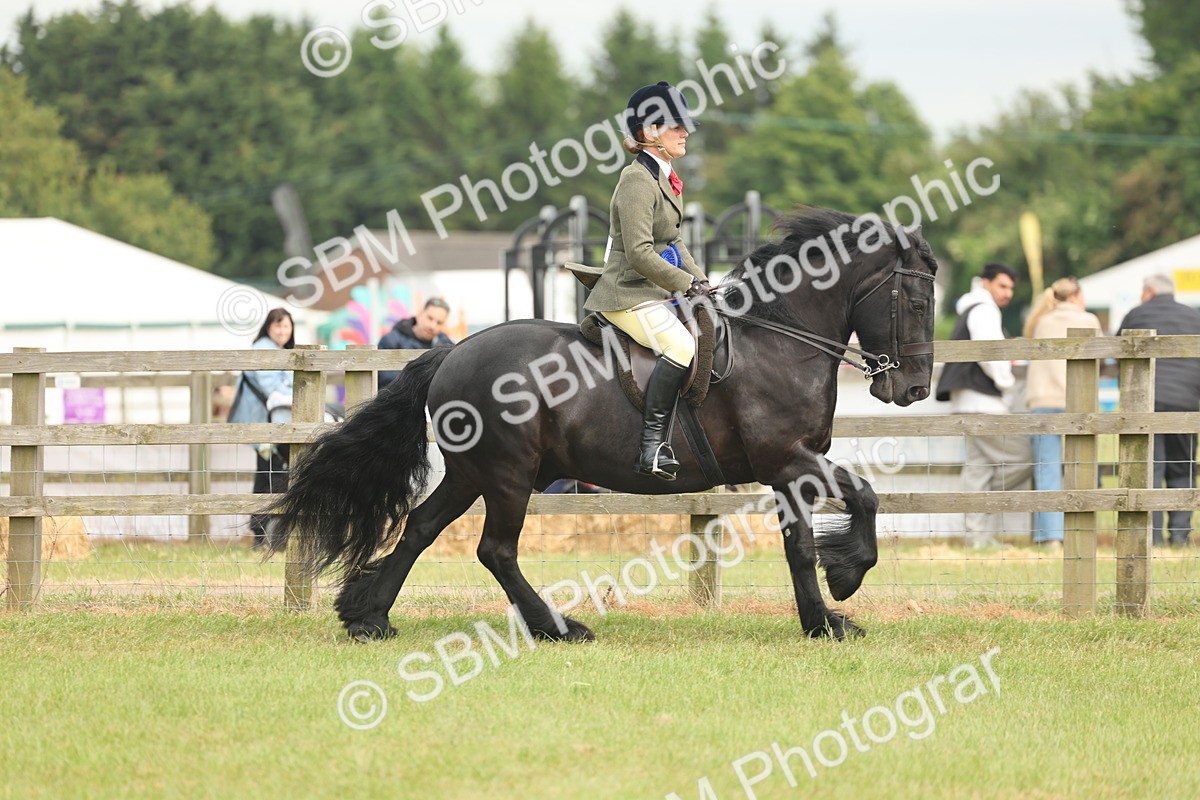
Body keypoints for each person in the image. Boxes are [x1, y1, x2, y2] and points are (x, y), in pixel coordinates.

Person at [581, 81, 711, 481]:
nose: (685, 132)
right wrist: (682, 284)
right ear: (650, 132)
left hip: (649, 289)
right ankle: (652, 448)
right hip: (624, 292)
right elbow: (639, 253)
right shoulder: (637, 181)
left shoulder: (664, 176)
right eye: (676, 126)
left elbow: (672, 240)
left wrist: (701, 283)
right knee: (680, 343)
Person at [935, 263, 1033, 548]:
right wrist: (1006, 383)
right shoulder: (985, 310)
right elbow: (989, 354)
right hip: (984, 401)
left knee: (978, 469)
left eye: (1011, 288)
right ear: (986, 284)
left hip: (966, 401)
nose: (1008, 293)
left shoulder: (971, 309)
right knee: (1025, 458)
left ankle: (978, 538)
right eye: (1002, 286)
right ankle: (985, 509)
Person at [1117, 274, 1200, 547]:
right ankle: (1179, 536)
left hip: (1145, 403)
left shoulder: (1135, 315)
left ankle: (1150, 539)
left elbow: (1117, 351)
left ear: (1149, 292)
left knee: (1148, 469)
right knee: (1181, 470)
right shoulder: (1193, 317)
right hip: (1185, 404)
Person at [1022, 277, 1102, 549]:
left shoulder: (1041, 321)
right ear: (1077, 296)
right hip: (1078, 401)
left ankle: (1050, 537)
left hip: (1043, 401)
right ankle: (1081, 532)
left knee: (1047, 470)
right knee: (1081, 467)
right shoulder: (1088, 320)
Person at [227, 308, 295, 546]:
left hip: (271, 423)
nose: (283, 331)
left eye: (287, 326)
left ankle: (263, 531)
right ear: (268, 327)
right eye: (278, 326)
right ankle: (263, 531)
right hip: (265, 424)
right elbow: (272, 389)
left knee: (270, 472)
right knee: (272, 474)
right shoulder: (264, 351)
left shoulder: (275, 350)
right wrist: (301, 396)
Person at [378, 298, 455, 388]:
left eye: (439, 322)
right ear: (419, 315)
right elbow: (383, 378)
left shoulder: (447, 346)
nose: (432, 326)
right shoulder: (392, 340)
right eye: (430, 318)